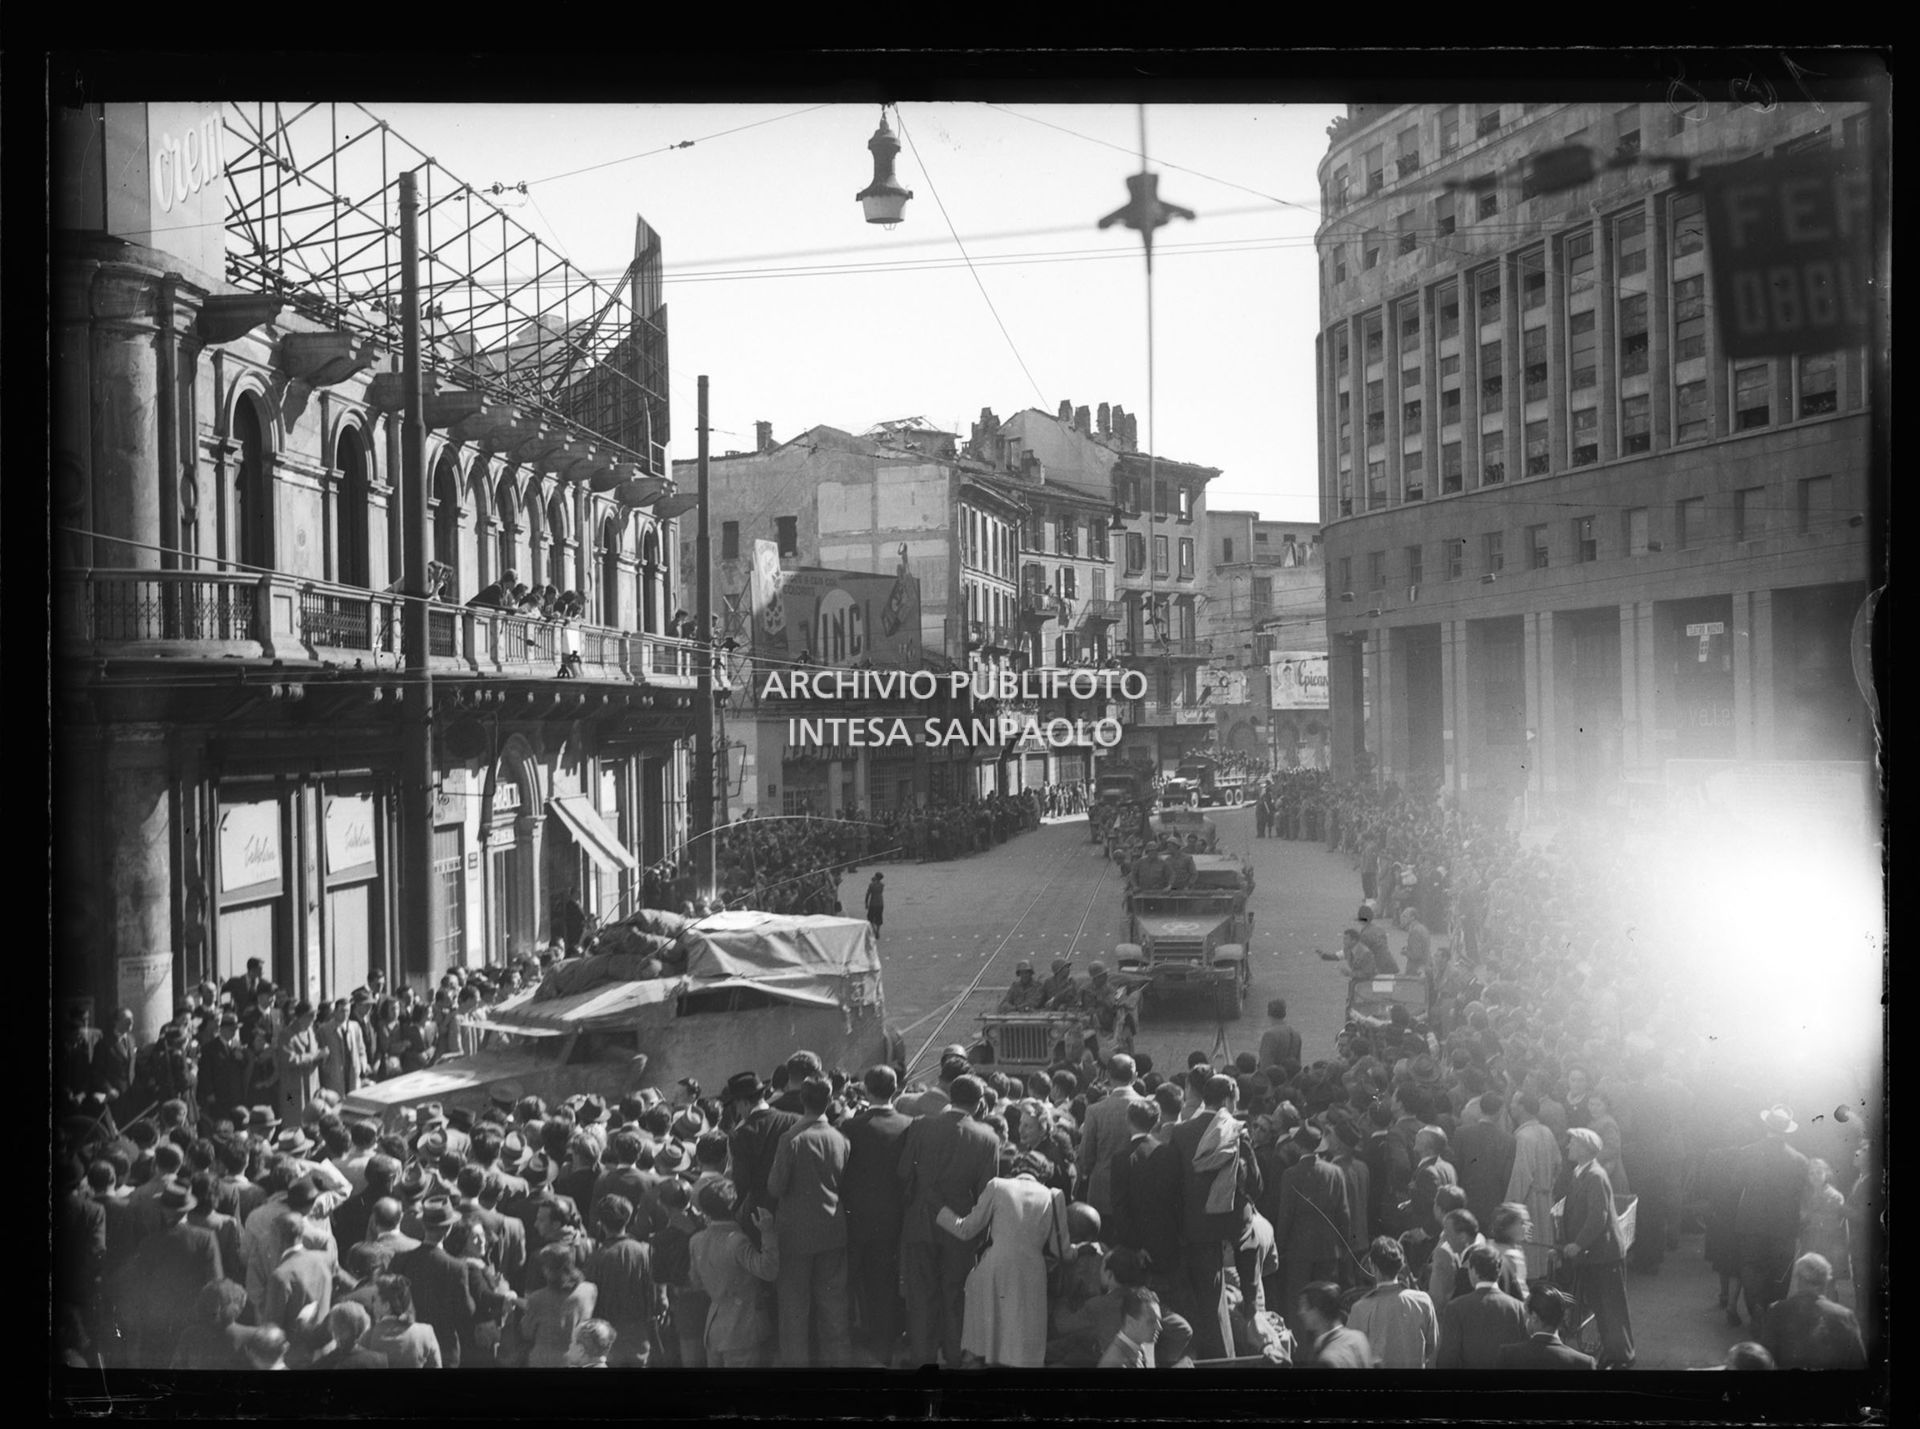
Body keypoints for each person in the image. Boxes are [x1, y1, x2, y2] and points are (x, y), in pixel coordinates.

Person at [897, 1073, 1000, 1368]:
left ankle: (923, 1359)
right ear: (980, 1103)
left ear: (950, 1096)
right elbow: (985, 1192)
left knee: (921, 1297)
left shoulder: (920, 1126)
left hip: (920, 1222)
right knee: (955, 1296)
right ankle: (955, 1357)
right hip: (960, 1227)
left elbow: (904, 1171)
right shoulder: (988, 1138)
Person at [937, 1150, 1068, 1367]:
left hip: (996, 1266)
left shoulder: (998, 1186)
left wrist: (938, 1211)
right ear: (1044, 1173)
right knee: (1022, 1342)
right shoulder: (1054, 1195)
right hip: (1032, 1272)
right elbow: (1058, 1249)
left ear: (1016, 1168)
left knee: (989, 1338)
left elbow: (966, 1230)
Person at [1168, 1073, 1262, 1362]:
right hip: (1231, 1224)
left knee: (1206, 1300)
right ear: (1227, 1099)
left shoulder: (1181, 1132)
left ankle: (1209, 1354)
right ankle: (1251, 1306)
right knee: (1250, 1247)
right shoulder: (1236, 1129)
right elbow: (1255, 1183)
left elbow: (1174, 1183)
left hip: (1194, 1226)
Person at [767, 1075, 853, 1367]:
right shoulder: (840, 1138)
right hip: (832, 1229)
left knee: (794, 1310)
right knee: (834, 1308)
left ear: (803, 1100)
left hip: (795, 1234)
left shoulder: (791, 1139)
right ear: (829, 1101)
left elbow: (776, 1187)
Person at [841, 1065, 912, 1366]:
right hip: (894, 1220)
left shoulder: (851, 1127)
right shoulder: (910, 1125)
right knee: (884, 1286)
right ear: (895, 1089)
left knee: (850, 1284)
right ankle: (884, 1351)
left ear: (867, 1090)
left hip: (855, 1220)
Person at [1559, 1126, 1634, 1369]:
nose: (1568, 1146)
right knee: (1602, 1308)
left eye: (1572, 1143)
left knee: (1611, 1308)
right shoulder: (1581, 1173)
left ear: (1584, 1148)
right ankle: (1613, 1354)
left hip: (1604, 1255)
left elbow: (1597, 1217)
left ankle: (1623, 1357)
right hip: (1594, 1256)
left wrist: (1578, 1244)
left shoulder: (1595, 1176)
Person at [1734, 1105, 1810, 1334]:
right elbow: (1801, 1194)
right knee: (1779, 1274)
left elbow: (1735, 1186)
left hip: (1751, 1224)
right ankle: (1772, 1315)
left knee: (1751, 1267)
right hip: (1784, 1227)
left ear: (1766, 1126)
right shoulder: (1799, 1160)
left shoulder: (1747, 1152)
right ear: (1787, 1130)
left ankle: (1756, 1311)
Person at [688, 1181, 781, 1368]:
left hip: (714, 1330)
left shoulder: (696, 1240)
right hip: (742, 1330)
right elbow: (769, 1271)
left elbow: (695, 1281)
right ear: (733, 1206)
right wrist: (768, 1232)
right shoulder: (737, 1241)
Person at [1271, 1122, 1352, 1315]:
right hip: (1328, 1249)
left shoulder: (1290, 1174)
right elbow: (1344, 1213)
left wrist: (1279, 1248)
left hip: (1298, 1250)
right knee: (1326, 1302)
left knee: (1300, 1302)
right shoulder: (1335, 1172)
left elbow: (1286, 1216)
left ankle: (1301, 1344)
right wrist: (1343, 1245)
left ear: (1298, 1146)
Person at [1760, 1253, 1866, 1370]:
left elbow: (1764, 1360)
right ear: (1826, 1281)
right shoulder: (1844, 1316)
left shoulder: (1776, 1310)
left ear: (1798, 1279)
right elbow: (1858, 1363)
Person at [1347, 1235, 1437, 1369]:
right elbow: (1432, 1345)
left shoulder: (1360, 1308)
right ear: (1401, 1266)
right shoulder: (1423, 1301)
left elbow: (1352, 1355)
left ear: (1372, 1266)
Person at [1436, 1243, 1528, 1369]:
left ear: (1473, 1270)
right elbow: (1525, 1354)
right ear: (1499, 1271)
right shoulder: (1519, 1308)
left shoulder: (1455, 1307)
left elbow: (1447, 1358)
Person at [1079, 1054, 1147, 1221]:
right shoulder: (1148, 1106)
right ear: (1135, 1076)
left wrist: (1086, 1170)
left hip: (1102, 1191)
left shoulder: (1095, 1111)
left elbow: (1086, 1155)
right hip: (1137, 1189)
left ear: (1108, 1076)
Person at [1503, 1093, 1561, 1284]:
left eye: (1514, 1102)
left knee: (1528, 1256)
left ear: (1522, 1107)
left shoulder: (1523, 1137)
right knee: (1542, 1256)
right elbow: (1557, 1165)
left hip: (1529, 1201)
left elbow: (1521, 1176)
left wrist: (1510, 1207)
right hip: (1545, 1198)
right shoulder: (1547, 1131)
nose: (1511, 1106)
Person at [514, 1240, 598, 1368]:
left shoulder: (537, 1299)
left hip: (544, 1362)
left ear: (547, 1270)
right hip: (577, 1360)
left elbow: (527, 1332)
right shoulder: (590, 1290)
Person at [1494, 1284, 1596, 1370]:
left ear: (1534, 1317)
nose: (1524, 1317)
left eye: (1526, 1312)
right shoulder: (1584, 1363)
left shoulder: (1509, 1356)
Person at [362, 1274, 443, 1368]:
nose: (372, 1304)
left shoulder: (367, 1338)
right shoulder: (425, 1333)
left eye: (374, 1299)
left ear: (386, 1306)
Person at [1295, 1280, 1371, 1368]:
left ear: (1317, 1310)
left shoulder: (1327, 1361)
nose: (1300, 1312)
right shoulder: (1359, 1337)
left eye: (1304, 1306)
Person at [1097, 1285, 1163, 1368]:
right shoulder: (1114, 1363)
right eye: (1151, 1322)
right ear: (1130, 1322)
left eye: (1159, 1320)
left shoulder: (1145, 1346)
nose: (1159, 1327)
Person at [1258, 1000, 1302, 1074]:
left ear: (1269, 1014)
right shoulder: (1296, 1034)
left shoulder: (1270, 1035)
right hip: (1291, 1079)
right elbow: (1298, 1062)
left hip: (1274, 1080)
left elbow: (1265, 1063)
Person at [864, 873, 885, 937]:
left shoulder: (871, 885)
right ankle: (878, 931)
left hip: (873, 903)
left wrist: (866, 903)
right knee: (879, 917)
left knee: (870, 917)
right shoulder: (882, 885)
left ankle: (874, 930)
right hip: (880, 902)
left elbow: (868, 894)